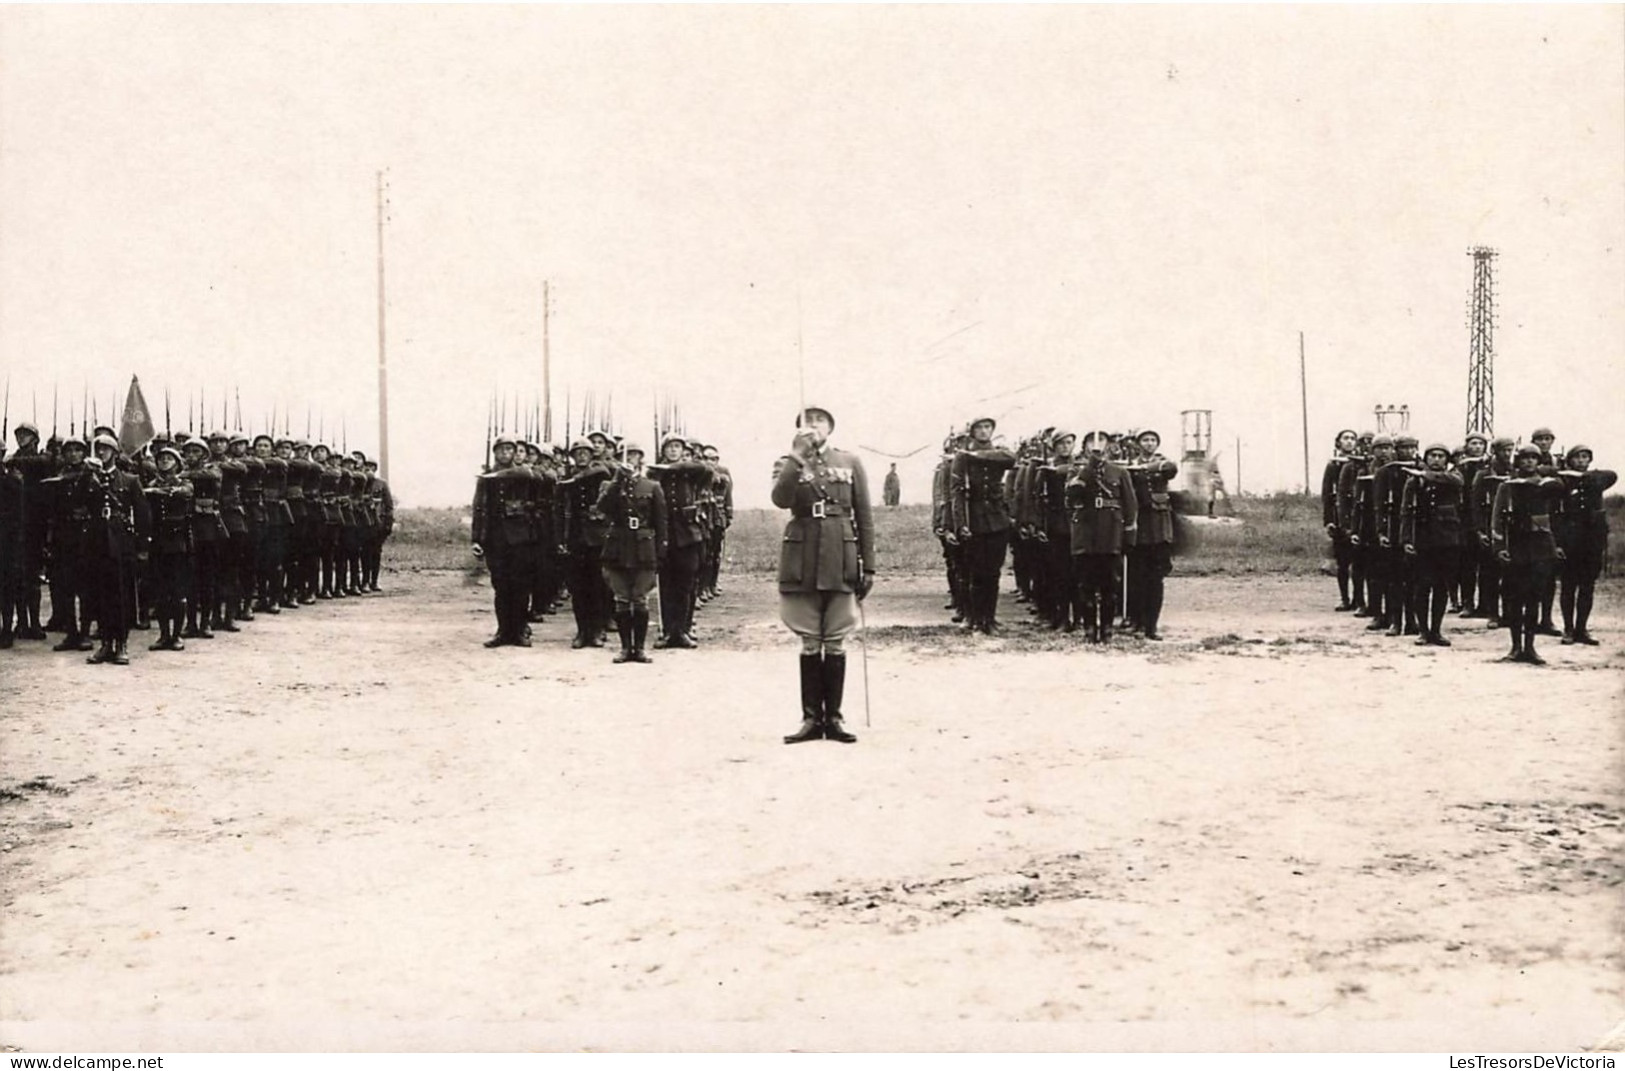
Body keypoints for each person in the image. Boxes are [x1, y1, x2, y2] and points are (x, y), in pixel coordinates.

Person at [773, 404, 875, 745]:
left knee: (835, 637)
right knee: (808, 638)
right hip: (802, 556)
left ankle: (834, 718)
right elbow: (780, 498)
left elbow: (864, 517)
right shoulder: (788, 462)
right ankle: (810, 719)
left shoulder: (849, 462)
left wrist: (868, 564)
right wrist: (796, 458)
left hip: (840, 554)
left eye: (820, 420)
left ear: (830, 427)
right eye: (806, 421)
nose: (813, 425)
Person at [471, 434, 548, 648]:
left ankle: (520, 630)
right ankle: (504, 631)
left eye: (509, 450)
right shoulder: (486, 478)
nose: (505, 454)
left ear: (515, 452)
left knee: (521, 586)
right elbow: (479, 508)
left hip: (522, 537)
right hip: (496, 539)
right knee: (501, 586)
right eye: (501, 450)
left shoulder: (525, 473)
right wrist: (477, 539)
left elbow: (539, 482)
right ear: (494, 452)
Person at [1490, 445, 1566, 664]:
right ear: (1518, 461)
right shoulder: (1507, 486)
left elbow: (1558, 509)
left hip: (1541, 546)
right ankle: (1515, 647)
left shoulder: (1548, 485)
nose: (1529, 462)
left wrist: (1556, 545)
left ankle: (1530, 647)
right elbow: (1497, 518)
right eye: (1524, 458)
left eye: (1534, 458)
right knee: (1515, 598)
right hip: (1516, 545)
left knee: (1534, 597)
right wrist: (1500, 547)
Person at [596, 442, 666, 664]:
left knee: (640, 599)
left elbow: (661, 521)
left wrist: (660, 550)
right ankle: (625, 648)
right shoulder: (610, 485)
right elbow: (603, 507)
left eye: (635, 455)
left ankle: (640, 649)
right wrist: (617, 480)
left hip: (644, 548)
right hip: (617, 547)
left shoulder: (652, 486)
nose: (630, 459)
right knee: (622, 599)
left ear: (641, 460)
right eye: (626, 456)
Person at [1065, 431, 1138, 643]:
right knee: (1086, 584)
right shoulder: (1076, 471)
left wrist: (1128, 534)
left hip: (1111, 532)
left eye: (1101, 441)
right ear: (1085, 445)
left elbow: (1130, 505)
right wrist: (1090, 467)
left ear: (1108, 445)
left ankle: (1106, 629)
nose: (1096, 446)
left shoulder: (1119, 472)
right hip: (1086, 531)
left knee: (1110, 585)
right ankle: (1089, 629)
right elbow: (1070, 498)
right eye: (1091, 442)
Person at [949, 417, 1016, 634]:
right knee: (977, 573)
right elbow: (956, 493)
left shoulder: (995, 453)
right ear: (972, 432)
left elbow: (1011, 458)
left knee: (993, 573)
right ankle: (977, 619)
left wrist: (978, 454)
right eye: (979, 428)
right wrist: (961, 524)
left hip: (997, 520)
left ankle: (990, 618)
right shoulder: (962, 458)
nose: (984, 431)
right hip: (975, 519)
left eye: (988, 427)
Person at [1399, 443, 1464, 647]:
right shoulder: (1414, 481)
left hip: (1447, 541)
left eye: (1441, 456)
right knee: (1422, 586)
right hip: (1423, 540)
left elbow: (1457, 482)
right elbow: (1406, 512)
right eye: (1432, 456)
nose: (1436, 460)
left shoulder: (1453, 477)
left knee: (1441, 587)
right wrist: (1407, 539)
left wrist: (1425, 475)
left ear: (1447, 460)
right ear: (1426, 459)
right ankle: (1424, 631)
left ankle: (1437, 630)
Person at [1554, 445, 1615, 645]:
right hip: (1570, 539)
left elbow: (1612, 475)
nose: (1581, 461)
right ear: (1569, 460)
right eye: (1577, 458)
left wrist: (1588, 476)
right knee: (1569, 586)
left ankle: (1582, 629)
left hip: (1591, 541)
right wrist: (1558, 543)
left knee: (1587, 586)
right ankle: (1568, 629)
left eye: (1585, 457)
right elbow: (1556, 515)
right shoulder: (1562, 481)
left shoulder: (1595, 480)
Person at [1126, 429, 1178, 641]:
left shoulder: (1163, 462)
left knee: (1155, 578)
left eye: (1152, 440)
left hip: (1158, 525)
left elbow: (1171, 469)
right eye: (1145, 440)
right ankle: (1136, 621)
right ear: (1138, 443)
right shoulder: (1129, 464)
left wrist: (1145, 467)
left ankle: (1151, 626)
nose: (1149, 444)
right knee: (1136, 576)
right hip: (1139, 525)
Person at [142, 445, 195, 651]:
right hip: (159, 541)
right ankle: (164, 635)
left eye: (169, 458)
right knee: (162, 592)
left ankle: (176, 635)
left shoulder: (185, 483)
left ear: (177, 463)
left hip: (179, 542)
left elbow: (185, 493)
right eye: (161, 458)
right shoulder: (152, 483)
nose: (164, 461)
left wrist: (163, 489)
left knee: (178, 592)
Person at [1321, 429, 1360, 611]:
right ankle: (1345, 598)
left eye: (1353, 438)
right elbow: (1327, 494)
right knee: (1342, 562)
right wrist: (1329, 520)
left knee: (1359, 562)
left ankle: (1359, 600)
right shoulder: (1333, 465)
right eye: (1346, 438)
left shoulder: (1361, 464)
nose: (1349, 442)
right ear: (1338, 443)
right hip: (1339, 517)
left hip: (1358, 517)